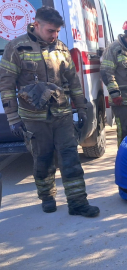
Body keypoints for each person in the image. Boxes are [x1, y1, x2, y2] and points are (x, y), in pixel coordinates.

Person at [0, 7, 99, 217]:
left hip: (62, 116)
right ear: (36, 25)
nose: (54, 35)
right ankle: (47, 197)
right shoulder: (16, 48)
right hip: (33, 119)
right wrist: (13, 118)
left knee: (70, 158)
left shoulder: (61, 49)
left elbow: (73, 81)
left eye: (57, 32)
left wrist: (81, 108)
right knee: (42, 160)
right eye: (50, 31)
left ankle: (78, 203)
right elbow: (6, 85)